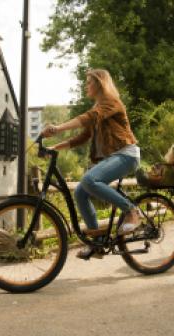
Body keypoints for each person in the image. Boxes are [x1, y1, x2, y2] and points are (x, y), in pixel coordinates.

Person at [41, 69, 141, 259]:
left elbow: (88, 117)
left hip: (127, 154)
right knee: (80, 192)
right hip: (114, 158)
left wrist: (58, 128)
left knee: (89, 179)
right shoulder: (98, 107)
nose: (86, 86)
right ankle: (97, 242)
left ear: (100, 84)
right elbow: (83, 136)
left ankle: (131, 210)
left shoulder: (111, 103)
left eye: (89, 82)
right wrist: (56, 147)